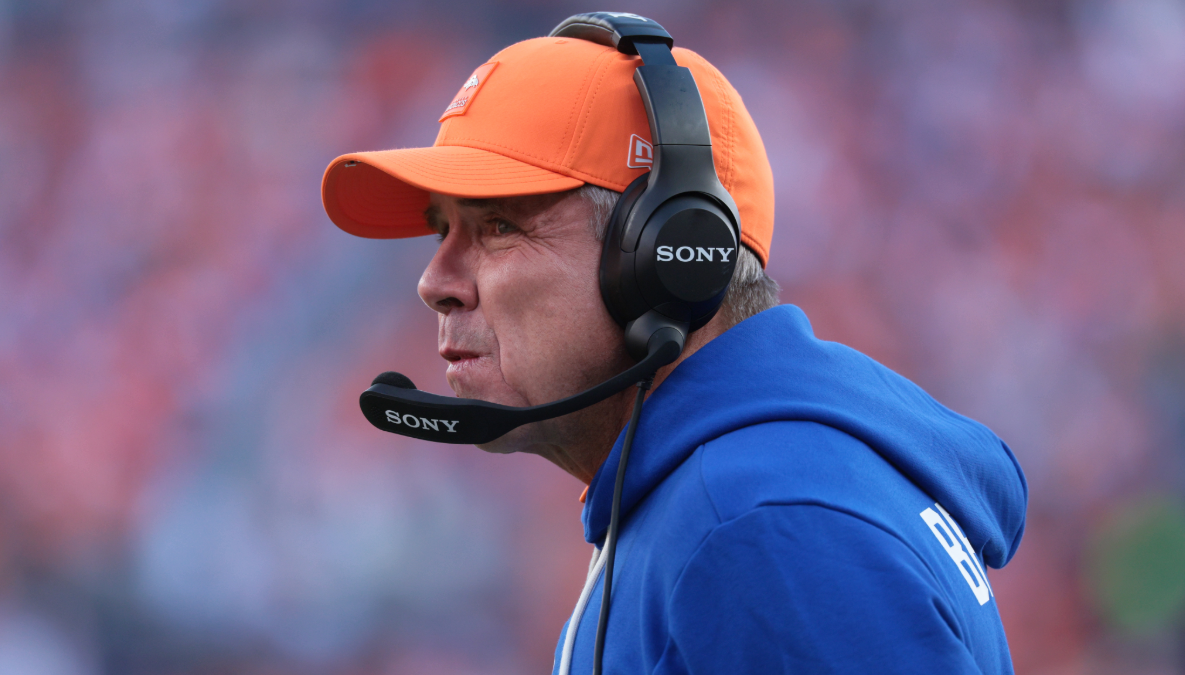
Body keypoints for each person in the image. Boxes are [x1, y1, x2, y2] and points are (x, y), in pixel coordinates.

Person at [320, 14, 1027, 675]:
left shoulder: (759, 524)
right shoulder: (734, 498)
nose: (434, 281)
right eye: (440, 229)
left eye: (499, 227)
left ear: (667, 254)